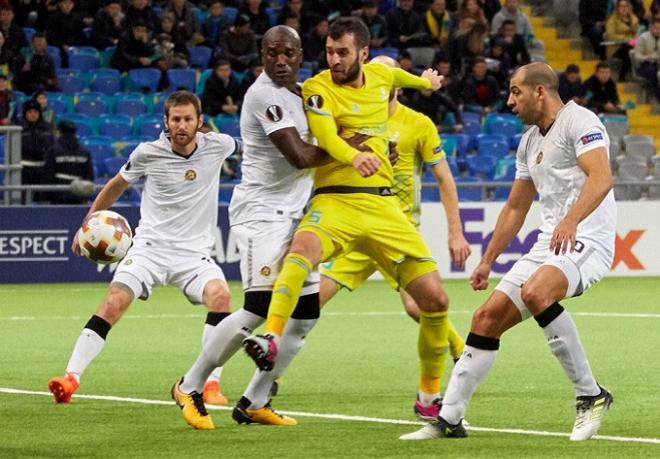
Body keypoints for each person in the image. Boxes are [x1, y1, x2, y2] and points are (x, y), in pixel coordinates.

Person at [241, 17, 452, 430]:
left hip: (383, 207)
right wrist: (353, 156)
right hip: (335, 201)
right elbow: (326, 138)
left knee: (436, 302)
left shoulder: (380, 75)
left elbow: (401, 77)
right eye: (329, 52)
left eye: (342, 53)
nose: (334, 60)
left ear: (363, 54)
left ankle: (428, 396)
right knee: (300, 251)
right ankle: (270, 336)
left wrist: (427, 83)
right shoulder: (317, 88)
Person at [400, 62, 616, 441]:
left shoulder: (581, 121)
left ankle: (591, 395)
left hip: (588, 238)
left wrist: (571, 221)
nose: (510, 100)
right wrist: (487, 260)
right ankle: (449, 418)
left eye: (516, 91)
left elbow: (601, 178)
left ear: (540, 92)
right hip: (550, 242)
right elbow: (516, 207)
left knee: (536, 292)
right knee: (486, 318)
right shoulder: (529, 141)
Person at [276, 54, 471, 422]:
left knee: (420, 306)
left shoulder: (418, 124)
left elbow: (444, 178)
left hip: (393, 227)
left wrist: (455, 231)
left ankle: (459, 353)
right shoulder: (346, 110)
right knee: (308, 303)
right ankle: (270, 378)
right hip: (350, 224)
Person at [171, 25, 344, 430]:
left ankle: (254, 400)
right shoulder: (264, 94)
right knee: (259, 309)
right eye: (272, 54)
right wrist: (352, 151)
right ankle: (189, 384)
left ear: (301, 55)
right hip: (261, 214)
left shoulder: (302, 94)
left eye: (288, 54)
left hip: (296, 215)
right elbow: (300, 156)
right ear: (261, 56)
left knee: (303, 315)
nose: (280, 61)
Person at [47, 91, 238, 406]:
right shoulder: (147, 153)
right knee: (113, 302)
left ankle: (209, 386)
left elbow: (258, 147)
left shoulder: (219, 145)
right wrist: (88, 223)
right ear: (165, 121)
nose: (181, 125)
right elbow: (116, 186)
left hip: (193, 254)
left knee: (221, 297)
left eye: (188, 119)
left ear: (199, 122)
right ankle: (70, 379)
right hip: (149, 248)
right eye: (175, 119)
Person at [43, 120, 94, 204]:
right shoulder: (85, 152)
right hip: (79, 197)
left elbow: (48, 176)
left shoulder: (53, 151)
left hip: (57, 197)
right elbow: (89, 177)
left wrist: (45, 197)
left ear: (59, 132)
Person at [632, 16, 660, 101]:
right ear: (650, 27)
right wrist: (647, 57)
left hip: (658, 63)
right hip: (644, 65)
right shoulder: (643, 38)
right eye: (656, 28)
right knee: (652, 70)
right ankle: (658, 96)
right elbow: (636, 56)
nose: (658, 30)